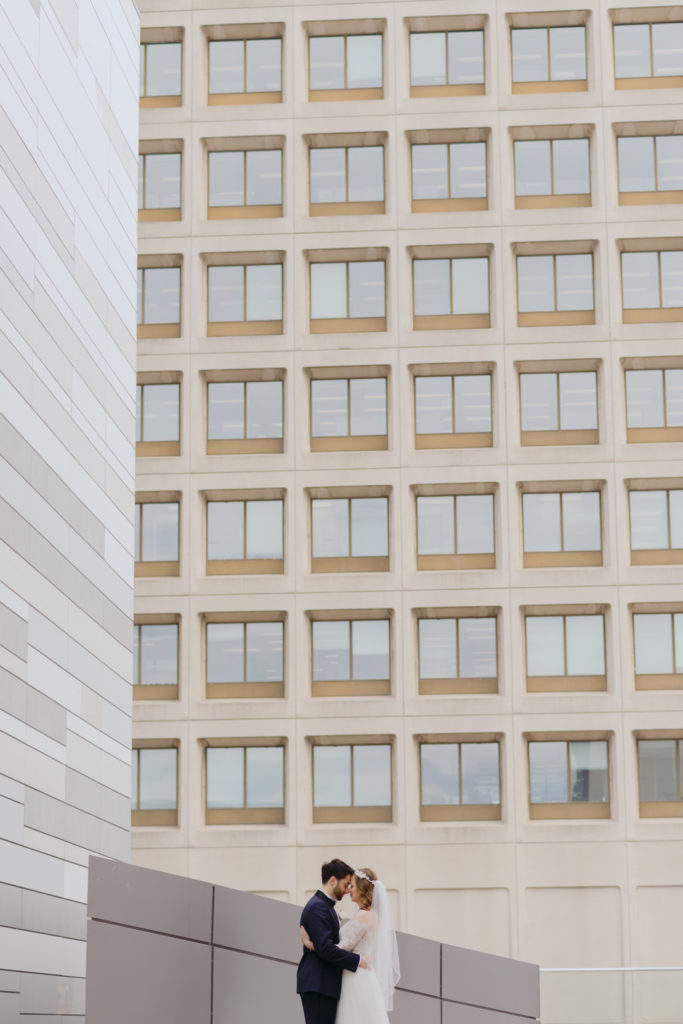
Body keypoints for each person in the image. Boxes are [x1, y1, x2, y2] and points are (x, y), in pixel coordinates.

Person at [300, 867, 400, 1024]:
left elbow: (338, 949)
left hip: (355, 977)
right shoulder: (372, 914)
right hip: (362, 976)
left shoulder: (362, 916)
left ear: (361, 888)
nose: (349, 890)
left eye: (352, 886)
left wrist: (311, 944)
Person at [297, 859, 369, 1024]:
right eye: (346, 884)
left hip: (323, 984)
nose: (347, 890)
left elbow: (323, 946)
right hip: (319, 984)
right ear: (332, 880)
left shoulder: (325, 906)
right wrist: (358, 960)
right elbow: (325, 949)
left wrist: (311, 945)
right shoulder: (318, 907)